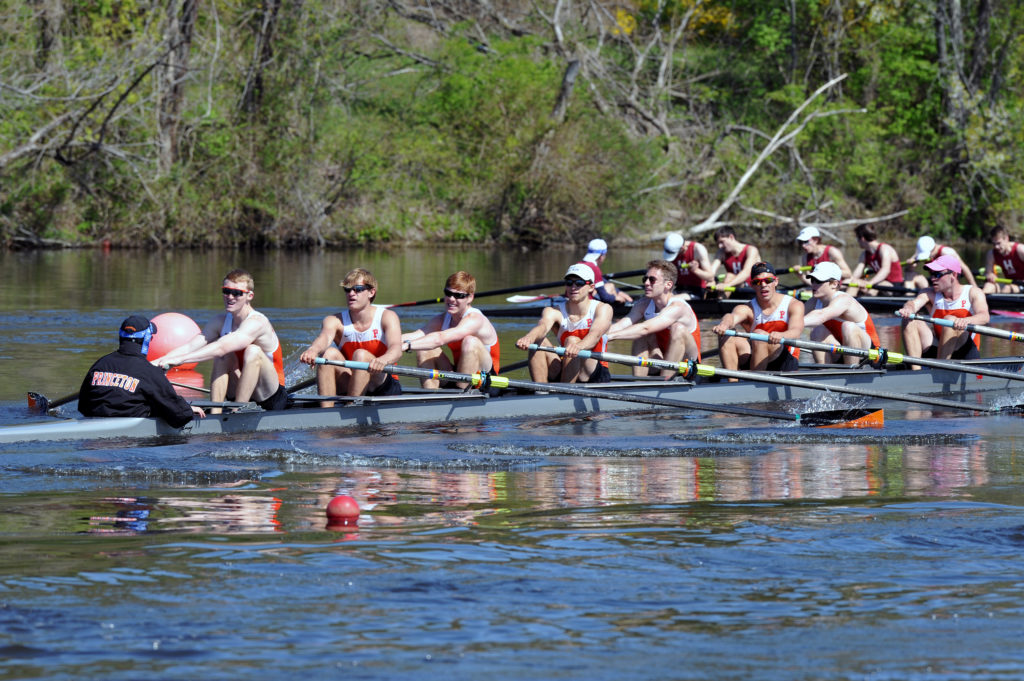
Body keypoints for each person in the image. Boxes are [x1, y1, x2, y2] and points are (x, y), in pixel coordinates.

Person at [152, 269, 288, 412]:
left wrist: (180, 360)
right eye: (226, 291)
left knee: (252, 351)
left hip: (271, 396)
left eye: (236, 293)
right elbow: (190, 346)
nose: (230, 296)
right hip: (240, 388)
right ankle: (215, 412)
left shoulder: (257, 322)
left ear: (249, 296)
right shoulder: (219, 321)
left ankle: (238, 412)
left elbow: (221, 347)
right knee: (224, 357)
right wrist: (154, 363)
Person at [299, 268, 403, 407]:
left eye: (358, 289)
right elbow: (324, 338)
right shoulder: (334, 320)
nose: (351, 294)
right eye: (347, 290)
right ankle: (326, 413)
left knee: (360, 355)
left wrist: (382, 360)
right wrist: (313, 350)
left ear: (371, 292)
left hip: (382, 384)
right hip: (352, 381)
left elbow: (396, 349)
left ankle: (351, 409)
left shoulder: (387, 317)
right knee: (328, 354)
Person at [79, 315, 205, 426]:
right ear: (146, 339)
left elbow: (82, 406)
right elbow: (180, 416)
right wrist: (187, 409)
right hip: (128, 439)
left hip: (92, 425)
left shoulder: (100, 364)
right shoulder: (149, 372)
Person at [514, 264, 614, 383]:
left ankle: (563, 392)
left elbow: (595, 334)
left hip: (593, 371)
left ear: (591, 287)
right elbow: (543, 326)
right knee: (538, 341)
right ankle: (540, 392)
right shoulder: (553, 311)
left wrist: (579, 346)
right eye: (569, 282)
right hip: (568, 364)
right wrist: (528, 338)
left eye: (579, 283)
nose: (573, 287)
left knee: (572, 340)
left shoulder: (603, 308)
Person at [402, 271, 501, 389]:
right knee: (423, 348)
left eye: (458, 295)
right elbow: (416, 335)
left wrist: (407, 346)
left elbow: (440, 338)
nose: (451, 299)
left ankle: (461, 394)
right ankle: (429, 396)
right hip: (460, 374)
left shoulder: (475, 319)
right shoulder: (443, 318)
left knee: (470, 341)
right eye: (448, 293)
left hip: (486, 380)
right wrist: (387, 342)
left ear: (470, 297)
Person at [606, 259, 701, 379]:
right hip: (663, 359)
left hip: (688, 365)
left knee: (677, 328)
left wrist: (610, 337)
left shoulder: (678, 307)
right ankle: (638, 384)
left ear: (668, 285)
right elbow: (620, 325)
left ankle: (665, 384)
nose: (646, 283)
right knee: (641, 334)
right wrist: (594, 335)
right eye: (645, 279)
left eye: (652, 280)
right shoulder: (643, 304)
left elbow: (645, 328)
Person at [712, 262, 804, 375]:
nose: (763, 285)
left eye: (768, 280)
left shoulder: (793, 304)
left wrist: (781, 335)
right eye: (757, 282)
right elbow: (731, 317)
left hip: (784, 362)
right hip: (757, 356)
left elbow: (796, 331)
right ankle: (732, 383)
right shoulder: (747, 308)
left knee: (759, 335)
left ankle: (753, 384)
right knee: (727, 334)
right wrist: (724, 325)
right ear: (752, 285)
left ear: (776, 281)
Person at [898, 254, 990, 366]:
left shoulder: (973, 292)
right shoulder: (929, 293)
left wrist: (965, 320)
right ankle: (915, 371)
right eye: (931, 274)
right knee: (910, 319)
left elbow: (984, 316)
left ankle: (939, 369)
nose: (932, 279)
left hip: (965, 353)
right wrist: (908, 309)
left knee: (950, 320)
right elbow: (913, 303)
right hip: (939, 350)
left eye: (937, 274)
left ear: (953, 275)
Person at [802, 262, 881, 365]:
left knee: (848, 326)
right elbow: (792, 317)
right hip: (843, 351)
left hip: (870, 355)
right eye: (812, 280)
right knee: (818, 331)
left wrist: (795, 323)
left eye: (818, 281)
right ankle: (824, 372)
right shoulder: (814, 301)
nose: (813, 285)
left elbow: (820, 316)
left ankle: (852, 373)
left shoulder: (844, 300)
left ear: (834, 284)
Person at [848, 224, 905, 295]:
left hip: (894, 286)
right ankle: (846, 302)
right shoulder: (864, 254)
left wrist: (870, 283)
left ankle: (867, 301)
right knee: (854, 282)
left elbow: (885, 270)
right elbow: (857, 272)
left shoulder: (884, 249)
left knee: (875, 287)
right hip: (878, 283)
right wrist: (849, 281)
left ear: (862, 239)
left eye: (857, 238)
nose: (857, 241)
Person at [907, 236, 978, 289]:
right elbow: (910, 269)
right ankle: (908, 297)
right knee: (910, 274)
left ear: (933, 248)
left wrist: (974, 287)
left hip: (948, 285)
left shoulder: (946, 252)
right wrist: (910, 264)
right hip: (935, 283)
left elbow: (964, 268)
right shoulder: (923, 251)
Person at [577, 238, 633, 304]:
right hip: (587, 303)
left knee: (610, 285)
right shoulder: (594, 268)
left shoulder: (578, 264)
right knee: (610, 286)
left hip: (576, 298)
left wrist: (619, 292)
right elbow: (605, 297)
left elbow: (602, 280)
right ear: (601, 256)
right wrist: (616, 298)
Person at [662, 232, 713, 297]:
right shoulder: (671, 250)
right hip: (678, 288)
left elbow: (710, 277)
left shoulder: (698, 249)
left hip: (696, 290)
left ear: (682, 248)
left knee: (671, 298)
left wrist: (695, 270)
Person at [983, 225, 1024, 293]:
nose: (996, 247)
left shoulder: (1020, 250)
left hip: (1021, 285)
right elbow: (988, 272)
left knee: (1007, 289)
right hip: (1009, 284)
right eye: (994, 244)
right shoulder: (991, 254)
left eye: (999, 243)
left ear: (1006, 239)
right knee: (988, 286)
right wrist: (990, 275)